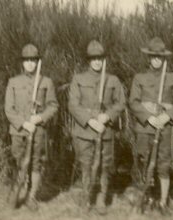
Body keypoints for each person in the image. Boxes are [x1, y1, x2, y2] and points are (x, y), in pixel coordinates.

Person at [129, 37, 173, 215]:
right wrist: (148, 118)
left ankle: (162, 201)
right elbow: (133, 102)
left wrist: (166, 116)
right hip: (145, 127)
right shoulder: (140, 77)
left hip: (164, 128)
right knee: (143, 161)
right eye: (153, 56)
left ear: (164, 58)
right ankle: (145, 196)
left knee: (163, 164)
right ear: (148, 57)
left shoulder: (172, 78)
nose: (156, 60)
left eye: (159, 57)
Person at [68, 40, 126, 214]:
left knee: (105, 166)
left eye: (100, 58)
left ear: (103, 59)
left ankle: (101, 198)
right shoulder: (78, 79)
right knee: (86, 165)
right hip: (85, 132)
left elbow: (120, 103)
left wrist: (107, 116)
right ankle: (87, 197)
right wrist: (91, 120)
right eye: (93, 58)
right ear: (88, 60)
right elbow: (73, 104)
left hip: (105, 131)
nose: (97, 62)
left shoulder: (113, 79)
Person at [5, 43, 59, 210]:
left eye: (33, 60)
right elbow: (9, 109)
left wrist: (40, 118)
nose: (30, 63)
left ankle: (31, 196)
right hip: (19, 131)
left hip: (38, 131)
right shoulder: (13, 81)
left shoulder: (46, 81)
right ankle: (16, 191)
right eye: (27, 60)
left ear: (37, 62)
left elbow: (53, 105)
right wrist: (24, 123)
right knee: (19, 161)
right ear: (22, 62)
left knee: (36, 163)